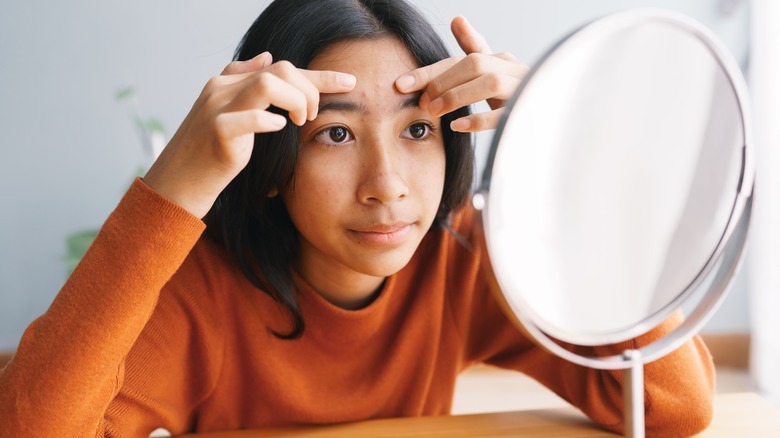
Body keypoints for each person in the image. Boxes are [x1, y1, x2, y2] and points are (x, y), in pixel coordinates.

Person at [0, 0, 715, 436]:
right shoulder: (202, 293)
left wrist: (563, 155)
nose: (387, 187)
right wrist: (173, 189)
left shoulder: (464, 253)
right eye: (335, 135)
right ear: (271, 159)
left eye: (416, 131)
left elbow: (675, 406)